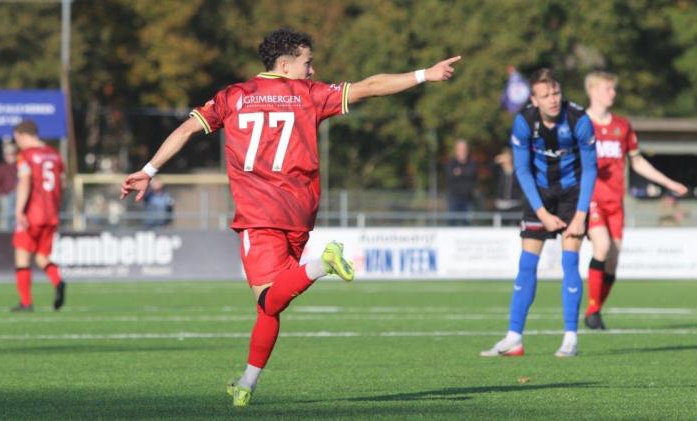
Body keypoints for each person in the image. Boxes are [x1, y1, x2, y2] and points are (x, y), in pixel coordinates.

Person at [121, 27, 460, 407]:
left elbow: (186, 129)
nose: (312, 70)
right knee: (271, 305)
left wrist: (148, 170)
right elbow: (370, 87)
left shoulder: (233, 96)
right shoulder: (309, 95)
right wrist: (424, 74)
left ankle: (322, 264)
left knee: (269, 300)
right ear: (284, 65)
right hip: (299, 212)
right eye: (307, 63)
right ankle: (246, 383)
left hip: (259, 213)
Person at [481, 68, 597, 358]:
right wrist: (542, 212)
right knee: (526, 264)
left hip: (572, 195)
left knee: (570, 262)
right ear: (534, 99)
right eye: (545, 96)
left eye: (556, 93)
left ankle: (570, 338)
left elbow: (590, 169)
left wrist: (581, 214)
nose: (552, 100)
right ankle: (513, 338)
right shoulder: (524, 122)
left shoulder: (579, 119)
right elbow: (521, 169)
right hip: (540, 194)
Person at [583, 72, 688, 329]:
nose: (613, 93)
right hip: (590, 199)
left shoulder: (622, 125)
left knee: (613, 261)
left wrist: (668, 183)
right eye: (608, 88)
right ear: (592, 90)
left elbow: (637, 161)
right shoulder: (581, 124)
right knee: (602, 247)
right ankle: (592, 311)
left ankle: (594, 310)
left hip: (615, 202)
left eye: (613, 89)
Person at [11, 120, 66, 312]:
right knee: (42, 257)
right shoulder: (55, 154)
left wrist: (19, 210)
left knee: (22, 256)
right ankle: (58, 281)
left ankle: (26, 303)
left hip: (32, 214)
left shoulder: (26, 155)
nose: (17, 142)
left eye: (17, 138)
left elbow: (25, 182)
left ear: (22, 135)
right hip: (52, 214)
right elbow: (62, 183)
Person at [445, 139, 478, 225]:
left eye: (464, 149)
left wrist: (460, 172)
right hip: (454, 198)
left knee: (467, 223)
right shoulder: (451, 163)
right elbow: (450, 175)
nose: (462, 151)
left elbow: (472, 173)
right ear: (456, 150)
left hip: (468, 198)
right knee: (452, 223)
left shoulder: (472, 163)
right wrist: (465, 173)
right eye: (460, 149)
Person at [0, 143, 18, 229]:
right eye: (7, 154)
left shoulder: (19, 166)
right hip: (5, 194)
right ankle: (5, 231)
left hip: (17, 194)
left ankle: (15, 230)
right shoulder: (2, 167)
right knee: (6, 215)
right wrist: (1, 192)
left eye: (12, 154)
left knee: (16, 214)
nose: (10, 156)